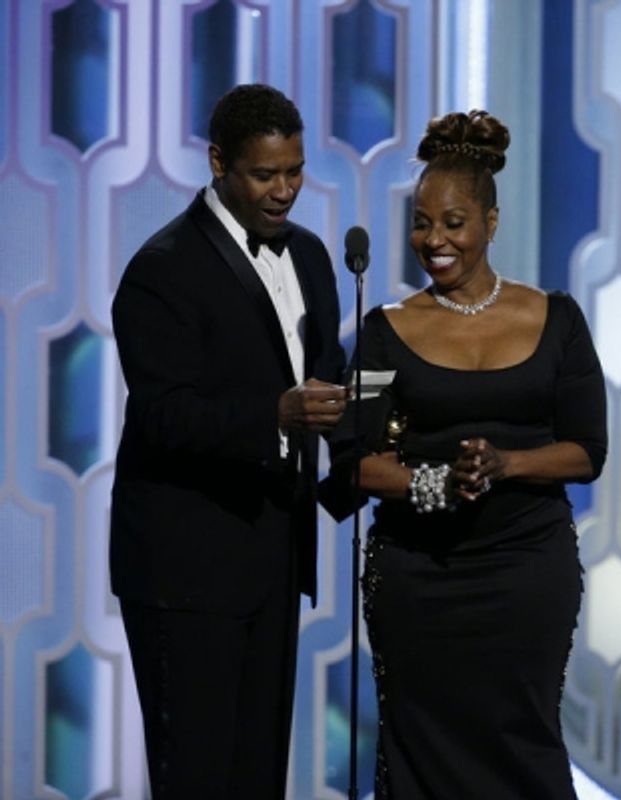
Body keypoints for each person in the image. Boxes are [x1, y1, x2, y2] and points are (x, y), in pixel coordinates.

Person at [323, 109, 607, 798]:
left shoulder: (557, 318)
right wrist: (433, 484)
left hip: (525, 573)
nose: (434, 240)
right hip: (420, 578)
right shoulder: (385, 330)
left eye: (453, 222)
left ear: (491, 222)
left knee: (522, 744)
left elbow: (586, 451)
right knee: (423, 749)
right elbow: (354, 461)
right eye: (422, 222)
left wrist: (508, 465)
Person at [110, 84, 347, 798]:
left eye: (296, 171)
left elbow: (325, 375)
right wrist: (275, 416)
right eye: (265, 174)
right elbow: (166, 415)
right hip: (185, 571)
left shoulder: (309, 256)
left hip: (274, 558)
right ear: (218, 163)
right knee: (198, 776)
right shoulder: (163, 270)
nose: (285, 191)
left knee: (257, 774)